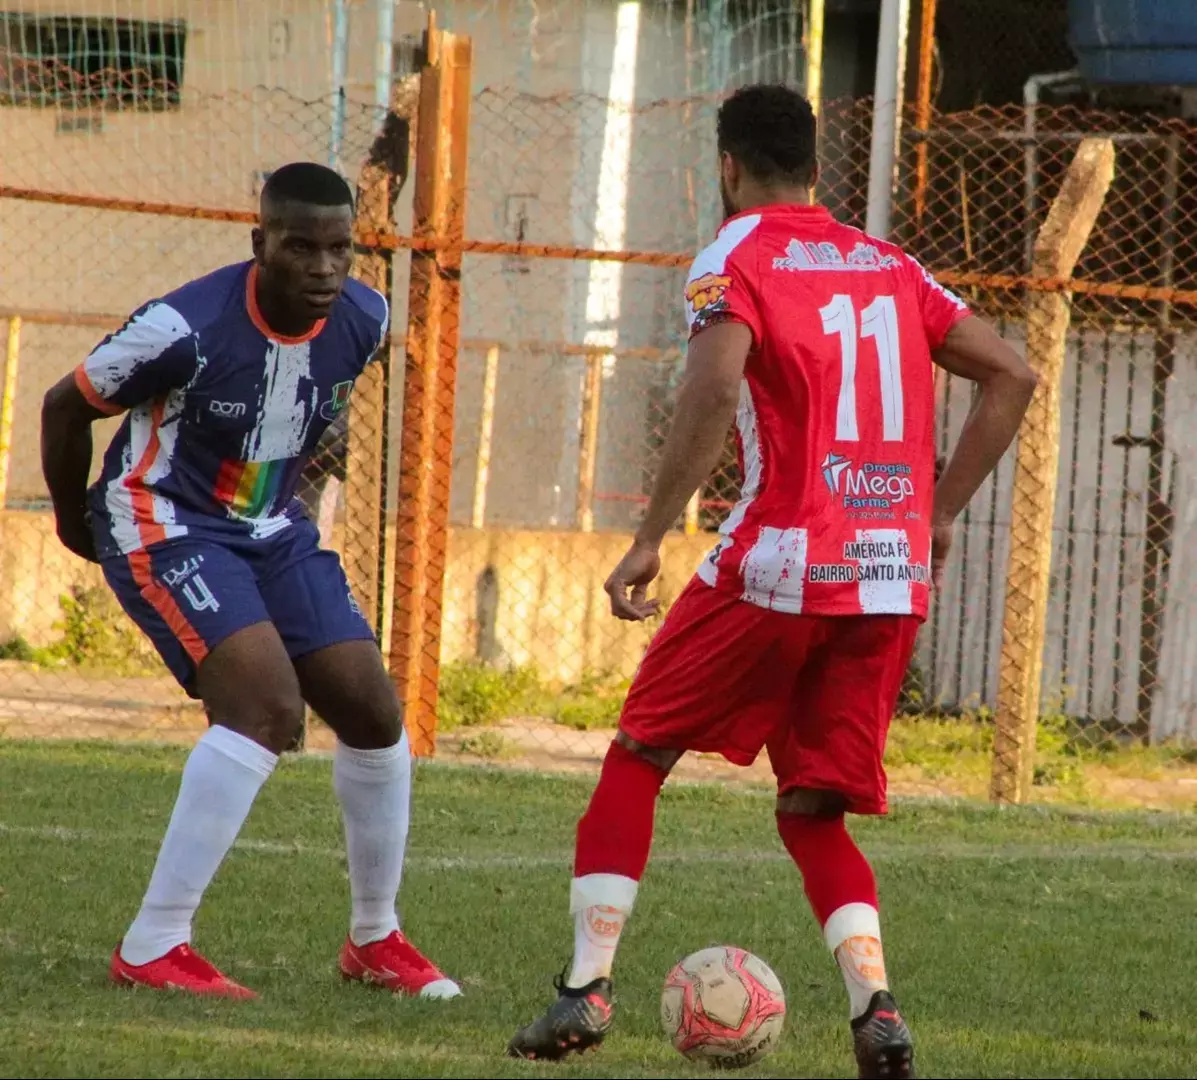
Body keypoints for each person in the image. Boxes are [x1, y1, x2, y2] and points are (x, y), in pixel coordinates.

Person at [508, 85, 1037, 1078]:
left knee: (638, 754)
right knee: (812, 810)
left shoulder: (736, 254)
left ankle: (584, 989)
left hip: (780, 563)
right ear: (818, 170)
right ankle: (876, 1010)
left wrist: (651, 536)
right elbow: (1013, 372)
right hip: (886, 578)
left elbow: (712, 385)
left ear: (727, 166)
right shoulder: (892, 267)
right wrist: (939, 514)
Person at [40, 161, 459, 1002]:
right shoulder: (181, 328)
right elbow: (64, 403)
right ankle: (154, 944)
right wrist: (69, 518)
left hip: (272, 526)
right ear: (258, 241)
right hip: (163, 519)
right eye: (300, 247)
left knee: (375, 712)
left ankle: (375, 939)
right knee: (266, 708)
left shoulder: (367, 318)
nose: (323, 268)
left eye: (339, 249)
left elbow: (301, 419)